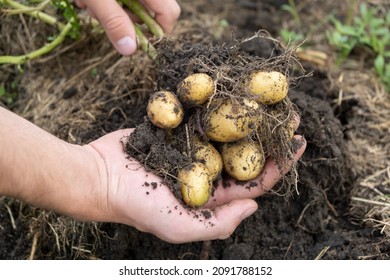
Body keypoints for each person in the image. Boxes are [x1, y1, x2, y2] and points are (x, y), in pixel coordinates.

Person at [0, 0, 306, 244]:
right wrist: (99, 179)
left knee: (255, 107)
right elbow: (176, 111)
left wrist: (99, 179)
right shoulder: (178, 105)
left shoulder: (208, 102)